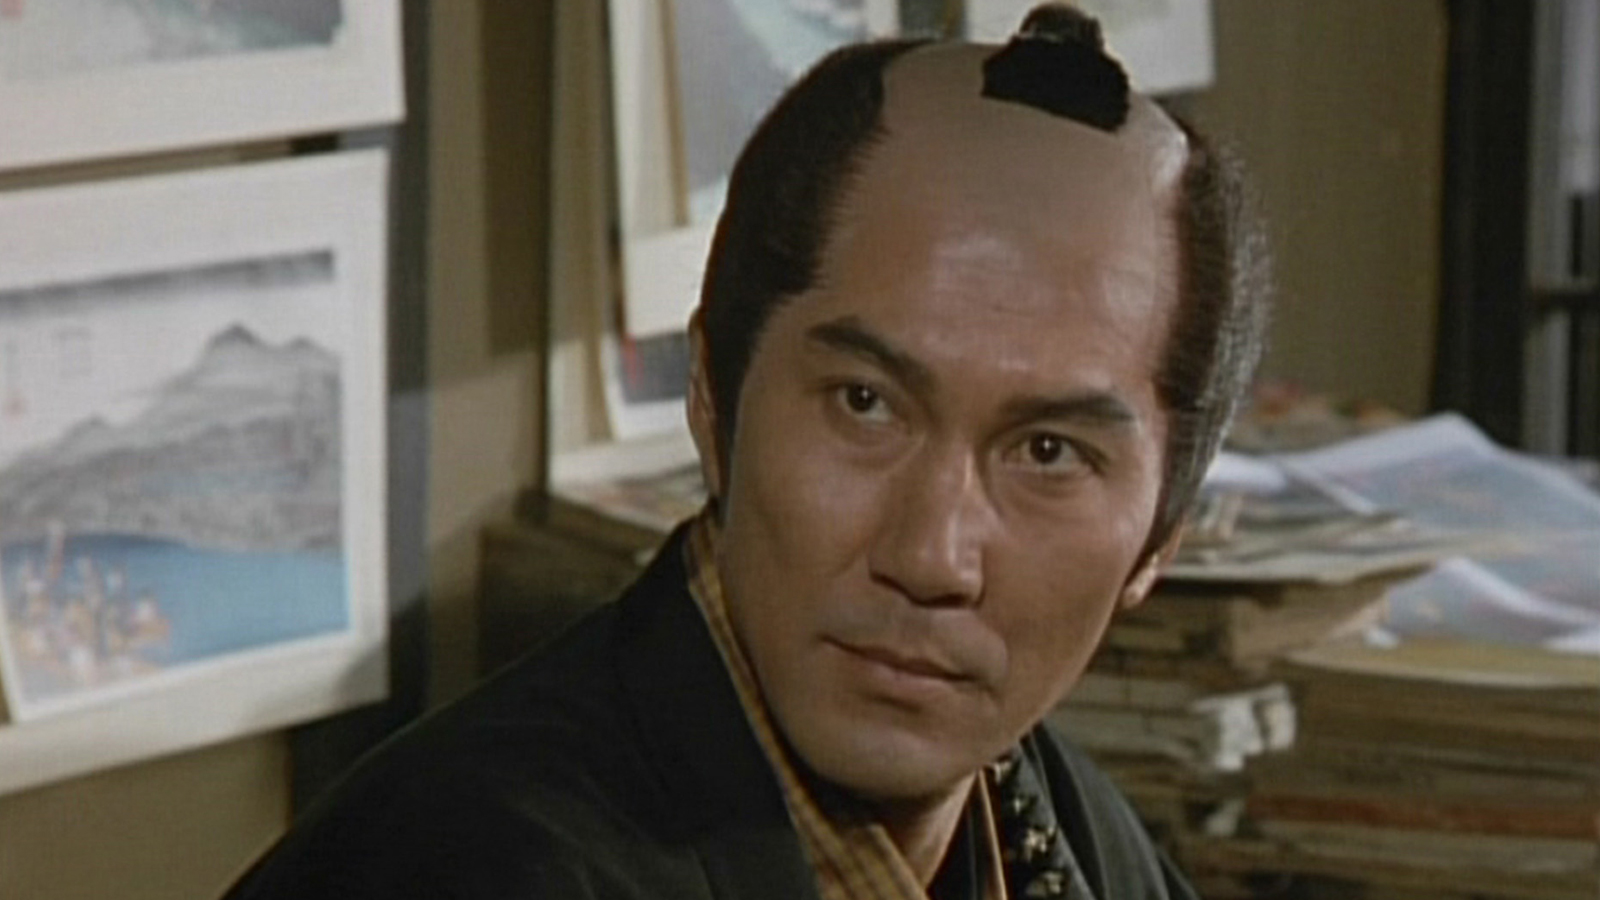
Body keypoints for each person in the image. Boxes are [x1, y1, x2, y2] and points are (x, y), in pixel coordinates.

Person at [223, 4, 1268, 898]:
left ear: (1160, 538)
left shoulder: (1054, 824)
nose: (931, 556)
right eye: (865, 405)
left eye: (1046, 452)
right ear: (713, 401)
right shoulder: (469, 865)